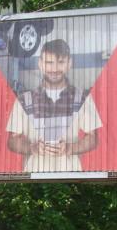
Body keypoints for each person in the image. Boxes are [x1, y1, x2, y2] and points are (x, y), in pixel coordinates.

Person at [6, 39, 102, 172]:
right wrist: (32, 148)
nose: (55, 69)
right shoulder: (24, 100)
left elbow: (93, 137)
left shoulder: (83, 98)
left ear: (69, 63)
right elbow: (12, 140)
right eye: (49, 63)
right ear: (40, 64)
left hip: (71, 176)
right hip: (34, 177)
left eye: (61, 62)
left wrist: (70, 148)